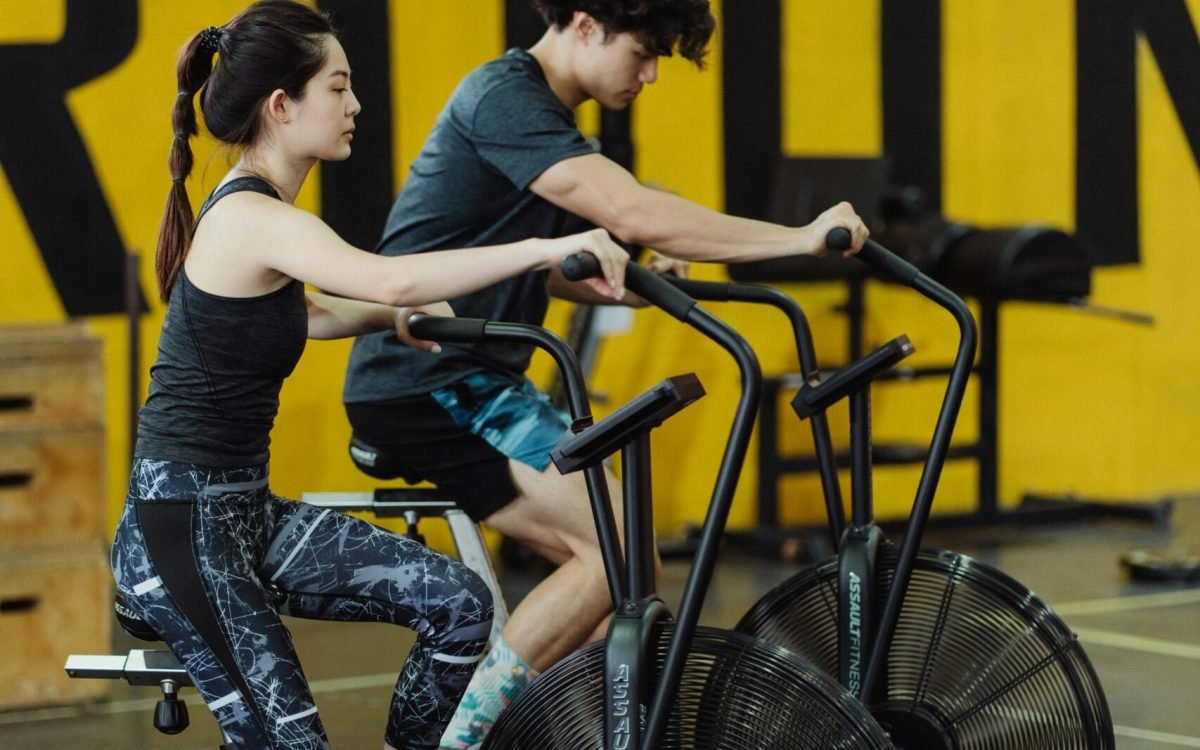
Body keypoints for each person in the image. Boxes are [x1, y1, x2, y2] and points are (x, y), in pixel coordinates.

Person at [341, 2, 870, 747]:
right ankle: (458, 742)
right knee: (619, 556)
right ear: (586, 25)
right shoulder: (506, 98)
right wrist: (800, 238)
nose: (651, 75)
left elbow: (548, 263)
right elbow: (632, 209)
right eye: (644, 53)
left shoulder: (552, 124)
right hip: (428, 377)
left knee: (624, 568)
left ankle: (580, 734)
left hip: (473, 374)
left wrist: (635, 267)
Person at [108, 3, 629, 749]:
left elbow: (312, 314)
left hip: (243, 516)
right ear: (282, 107)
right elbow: (385, 279)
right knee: (292, 740)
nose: (355, 106)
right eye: (338, 88)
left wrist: (390, 322)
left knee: (458, 603)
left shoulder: (266, 218)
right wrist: (537, 251)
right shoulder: (252, 216)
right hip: (179, 531)